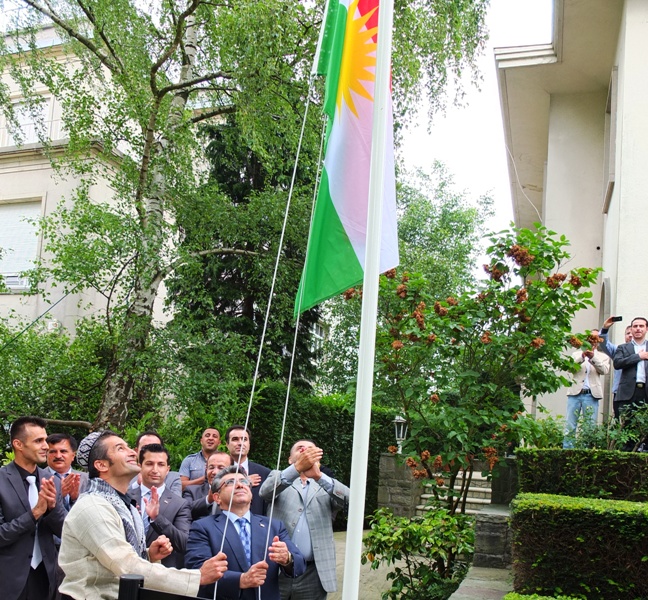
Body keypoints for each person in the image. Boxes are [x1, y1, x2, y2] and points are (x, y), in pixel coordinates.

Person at [58, 431, 228, 599]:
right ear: (101, 465)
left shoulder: (123, 504)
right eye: (120, 448)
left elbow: (113, 561)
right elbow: (127, 566)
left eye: (128, 447)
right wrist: (197, 577)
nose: (133, 452)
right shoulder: (93, 506)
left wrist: (148, 555)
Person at [185, 466, 305, 599]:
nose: (240, 486)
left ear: (251, 493)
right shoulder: (202, 527)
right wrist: (241, 580)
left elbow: (299, 566)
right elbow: (197, 571)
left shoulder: (274, 526)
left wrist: (287, 558)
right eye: (230, 482)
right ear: (217, 497)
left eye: (244, 482)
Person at [260, 440, 349, 599]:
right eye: (300, 449)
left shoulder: (327, 485)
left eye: (310, 450)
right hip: (277, 570)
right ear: (289, 459)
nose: (305, 452)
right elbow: (265, 492)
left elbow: (351, 500)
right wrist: (296, 469)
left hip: (313, 573)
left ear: (318, 461)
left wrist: (319, 476)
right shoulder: (277, 477)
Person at [0, 416, 66, 600]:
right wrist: (35, 513)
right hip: (8, 581)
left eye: (45, 439)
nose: (46, 446)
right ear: (18, 444)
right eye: (38, 441)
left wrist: (52, 508)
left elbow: (66, 532)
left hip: (47, 577)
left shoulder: (53, 481)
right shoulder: (1, 480)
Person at [130, 443, 192, 568]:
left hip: (160, 573)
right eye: (149, 464)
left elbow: (184, 543)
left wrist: (157, 518)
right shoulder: (126, 496)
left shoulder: (179, 504)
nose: (155, 469)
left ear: (168, 469)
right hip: (125, 569)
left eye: (161, 464)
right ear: (139, 466)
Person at [563, 330, 610, 448]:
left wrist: (593, 357)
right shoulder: (576, 354)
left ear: (598, 340)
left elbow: (604, 370)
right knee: (570, 425)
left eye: (595, 338)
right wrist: (582, 356)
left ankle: (586, 453)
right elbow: (569, 368)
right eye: (590, 338)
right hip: (575, 394)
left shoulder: (603, 356)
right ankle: (567, 452)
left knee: (589, 427)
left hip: (591, 395)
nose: (592, 341)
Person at [613, 317, 648, 445]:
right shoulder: (623, 348)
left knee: (644, 428)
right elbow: (617, 363)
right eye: (635, 326)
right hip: (628, 392)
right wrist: (638, 356)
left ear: (646, 329)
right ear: (631, 329)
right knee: (626, 426)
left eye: (641, 326)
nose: (638, 329)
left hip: (645, 391)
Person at [225, 425, 270, 514]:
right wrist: (244, 482)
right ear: (227, 444)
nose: (240, 443)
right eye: (235, 439)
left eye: (244, 439)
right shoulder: (220, 471)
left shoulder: (265, 473)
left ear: (249, 444)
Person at [183, 451, 234, 520]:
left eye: (221, 468)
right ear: (206, 470)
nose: (215, 472)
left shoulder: (237, 492)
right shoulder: (192, 491)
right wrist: (208, 500)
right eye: (211, 467)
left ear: (232, 472)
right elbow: (184, 512)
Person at [46, 433, 89, 514]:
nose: (58, 456)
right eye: (53, 452)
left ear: (73, 455)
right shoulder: (37, 478)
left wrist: (75, 499)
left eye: (63, 451)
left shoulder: (87, 479)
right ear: (46, 454)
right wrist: (59, 495)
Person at [129, 431, 181, 496]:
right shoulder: (126, 476)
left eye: (155, 448)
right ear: (136, 451)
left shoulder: (173, 478)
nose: (151, 452)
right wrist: (137, 484)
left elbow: (176, 503)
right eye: (145, 448)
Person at [599, 317, 633, 418]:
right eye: (627, 333)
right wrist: (605, 329)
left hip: (639, 393)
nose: (630, 335)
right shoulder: (618, 350)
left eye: (632, 333)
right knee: (620, 423)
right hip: (620, 393)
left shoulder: (644, 350)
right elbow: (604, 344)